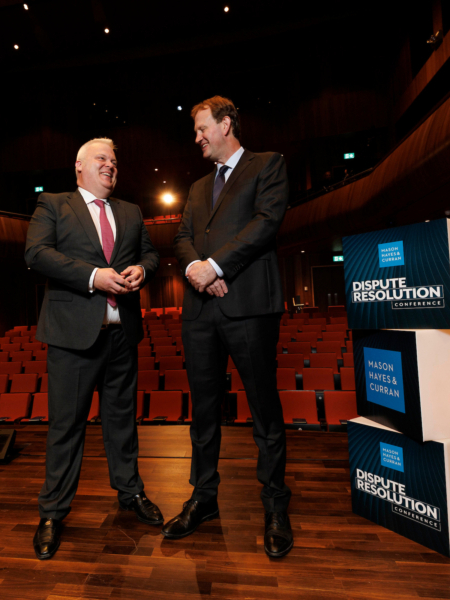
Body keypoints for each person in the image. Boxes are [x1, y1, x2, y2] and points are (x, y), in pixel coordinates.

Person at [24, 138, 162, 560]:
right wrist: (92, 277)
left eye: (114, 161)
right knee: (66, 427)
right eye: (102, 158)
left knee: (122, 422)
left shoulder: (131, 211)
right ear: (79, 166)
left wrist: (142, 270)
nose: (110, 165)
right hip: (72, 337)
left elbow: (151, 254)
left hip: (122, 335)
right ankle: (52, 513)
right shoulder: (53, 204)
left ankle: (130, 492)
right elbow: (36, 253)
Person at [167, 96, 293, 557]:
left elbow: (266, 223)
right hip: (201, 312)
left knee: (264, 411)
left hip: (250, 308)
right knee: (203, 413)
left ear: (226, 124)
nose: (197, 138)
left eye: (202, 128)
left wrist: (216, 266)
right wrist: (197, 269)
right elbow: (183, 237)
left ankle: (275, 506)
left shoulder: (268, 164)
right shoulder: (199, 186)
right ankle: (203, 498)